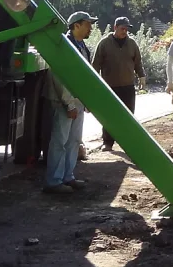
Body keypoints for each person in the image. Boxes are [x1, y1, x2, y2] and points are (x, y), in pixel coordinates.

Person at [44, 11, 94, 194]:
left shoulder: (82, 46)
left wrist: (86, 100)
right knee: (60, 141)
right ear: (77, 26)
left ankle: (67, 176)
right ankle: (53, 181)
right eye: (88, 24)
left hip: (77, 102)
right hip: (65, 102)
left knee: (73, 141)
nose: (91, 27)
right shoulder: (64, 46)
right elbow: (60, 77)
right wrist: (69, 104)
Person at [92, 16, 146, 151]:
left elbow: (138, 62)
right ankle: (108, 142)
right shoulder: (104, 43)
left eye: (127, 29)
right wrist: (95, 84)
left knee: (128, 116)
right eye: (122, 28)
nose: (125, 31)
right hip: (110, 86)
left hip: (128, 86)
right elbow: (96, 64)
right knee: (109, 116)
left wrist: (142, 76)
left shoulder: (132, 43)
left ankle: (128, 143)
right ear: (115, 28)